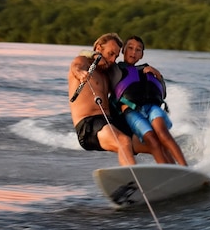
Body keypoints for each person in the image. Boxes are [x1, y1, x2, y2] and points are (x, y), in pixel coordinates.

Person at [110, 35, 188, 166]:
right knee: (153, 141)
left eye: (138, 50)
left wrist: (158, 74)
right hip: (131, 111)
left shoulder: (147, 69)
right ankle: (168, 171)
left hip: (152, 107)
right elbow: (98, 62)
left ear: (141, 55)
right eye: (130, 48)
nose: (133, 52)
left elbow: (162, 91)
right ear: (123, 50)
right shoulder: (114, 69)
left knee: (163, 134)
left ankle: (185, 168)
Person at [69, 33, 140, 166]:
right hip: (88, 125)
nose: (113, 59)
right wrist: (81, 73)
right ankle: (132, 183)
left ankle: (173, 173)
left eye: (116, 56)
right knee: (123, 142)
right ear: (99, 48)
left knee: (147, 140)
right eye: (110, 53)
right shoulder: (84, 61)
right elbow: (76, 66)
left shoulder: (107, 73)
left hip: (109, 121)